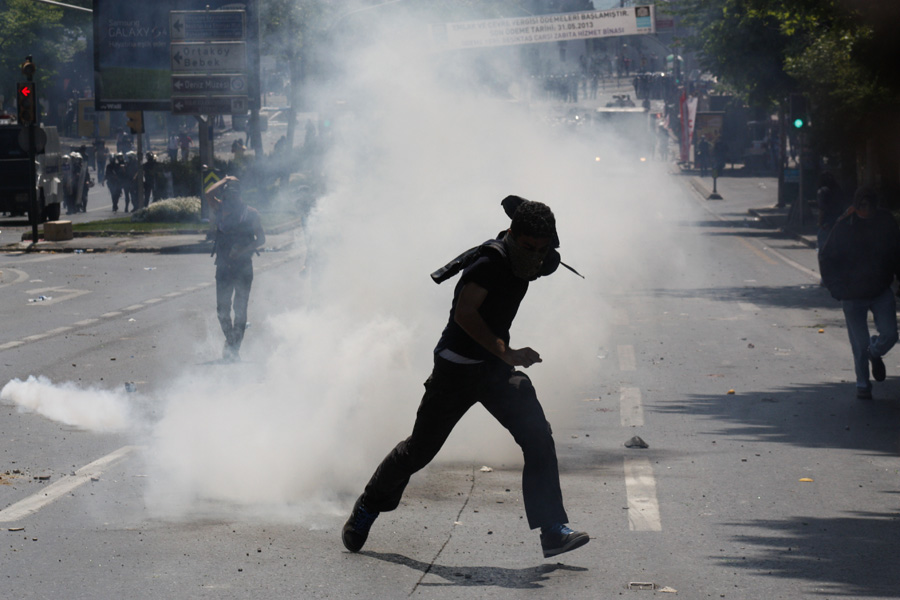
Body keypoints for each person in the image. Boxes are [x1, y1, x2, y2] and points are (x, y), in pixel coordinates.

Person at [342, 197, 590, 559]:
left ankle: (552, 530)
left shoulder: (538, 258)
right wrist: (507, 352)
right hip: (456, 368)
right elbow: (465, 313)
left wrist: (502, 358)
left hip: (494, 370)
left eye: (541, 249)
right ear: (511, 237)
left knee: (538, 437)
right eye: (527, 247)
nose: (534, 257)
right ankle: (368, 505)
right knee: (419, 451)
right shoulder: (488, 263)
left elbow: (532, 236)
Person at [819, 186, 900, 400]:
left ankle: (876, 352)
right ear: (856, 205)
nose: (867, 209)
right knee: (860, 344)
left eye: (870, 205)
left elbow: (896, 252)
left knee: (890, 335)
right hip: (852, 294)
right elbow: (826, 258)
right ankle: (863, 384)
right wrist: (835, 288)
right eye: (862, 205)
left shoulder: (886, 223)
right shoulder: (844, 226)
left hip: (881, 290)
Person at [205, 176, 266, 361]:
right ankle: (231, 342)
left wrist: (243, 250)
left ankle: (233, 349)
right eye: (227, 195)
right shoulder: (220, 209)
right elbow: (208, 194)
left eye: (234, 195)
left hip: (243, 267)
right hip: (224, 267)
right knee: (222, 310)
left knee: (240, 310)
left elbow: (261, 240)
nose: (231, 200)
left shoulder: (251, 213)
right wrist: (225, 179)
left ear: (240, 197)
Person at [816, 171, 849, 253]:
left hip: (826, 224)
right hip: (838, 222)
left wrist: (820, 222)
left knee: (823, 246)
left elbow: (822, 209)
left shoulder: (822, 191)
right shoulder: (838, 190)